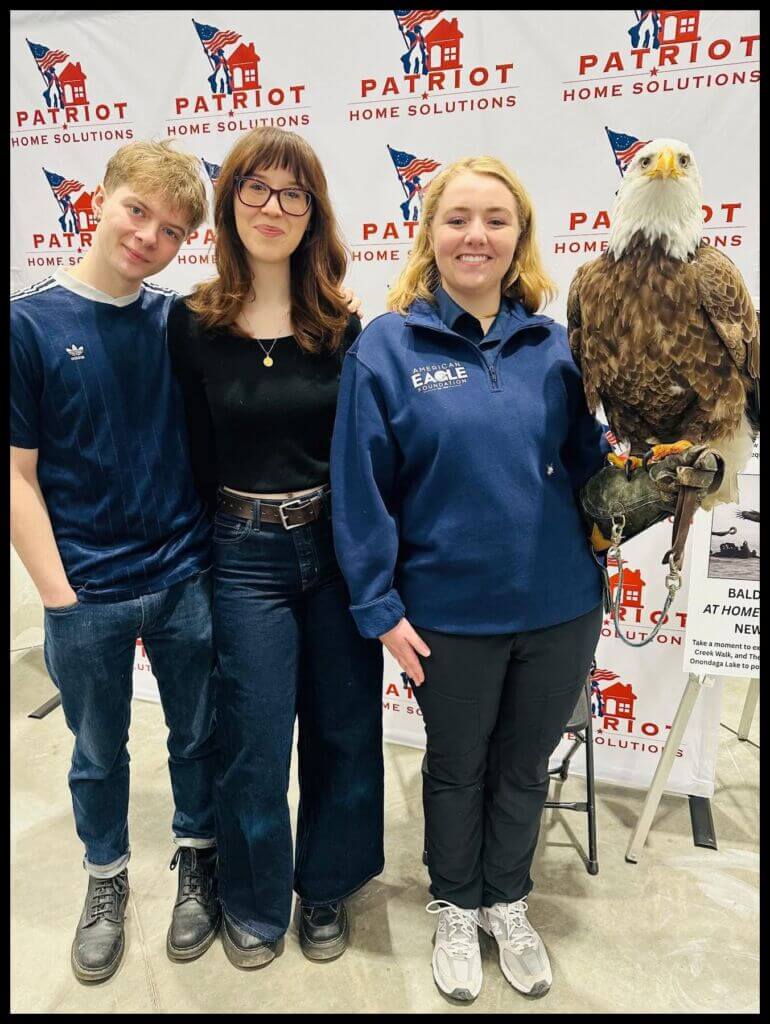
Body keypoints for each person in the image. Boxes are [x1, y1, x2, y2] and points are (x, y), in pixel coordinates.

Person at [330, 156, 609, 1002]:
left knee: (524, 768)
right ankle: (456, 905)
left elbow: (592, 471)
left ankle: (506, 903)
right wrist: (378, 605)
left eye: (495, 219)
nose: (475, 236)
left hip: (560, 608)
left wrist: (656, 475)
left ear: (520, 236)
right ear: (430, 235)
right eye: (457, 219)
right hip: (446, 615)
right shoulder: (387, 347)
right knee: (456, 769)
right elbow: (360, 487)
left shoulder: (558, 347)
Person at [166, 126, 384, 971]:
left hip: (333, 550)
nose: (273, 207)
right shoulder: (192, 325)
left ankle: (325, 887)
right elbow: (186, 451)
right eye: (256, 188)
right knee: (253, 742)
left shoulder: (343, 325)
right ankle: (253, 902)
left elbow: (365, 455)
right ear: (230, 205)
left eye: (294, 194)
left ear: (313, 214)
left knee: (343, 730)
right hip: (242, 552)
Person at [10, 140, 221, 983]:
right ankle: (106, 876)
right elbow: (16, 475)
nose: (148, 237)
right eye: (137, 211)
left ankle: (198, 857)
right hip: (87, 589)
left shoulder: (178, 321)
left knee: (197, 735)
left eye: (171, 230)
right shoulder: (28, 324)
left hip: (183, 575)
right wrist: (59, 596)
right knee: (97, 753)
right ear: (100, 199)